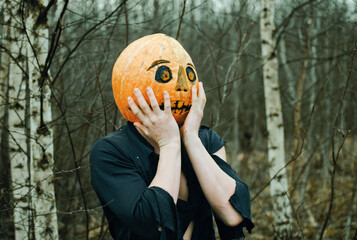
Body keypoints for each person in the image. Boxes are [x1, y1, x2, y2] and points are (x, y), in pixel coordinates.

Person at [90, 34, 254, 240]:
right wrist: (168, 144)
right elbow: (154, 224)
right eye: (165, 76)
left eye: (189, 75)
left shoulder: (206, 140)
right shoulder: (111, 152)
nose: (181, 87)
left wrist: (191, 138)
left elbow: (233, 215)